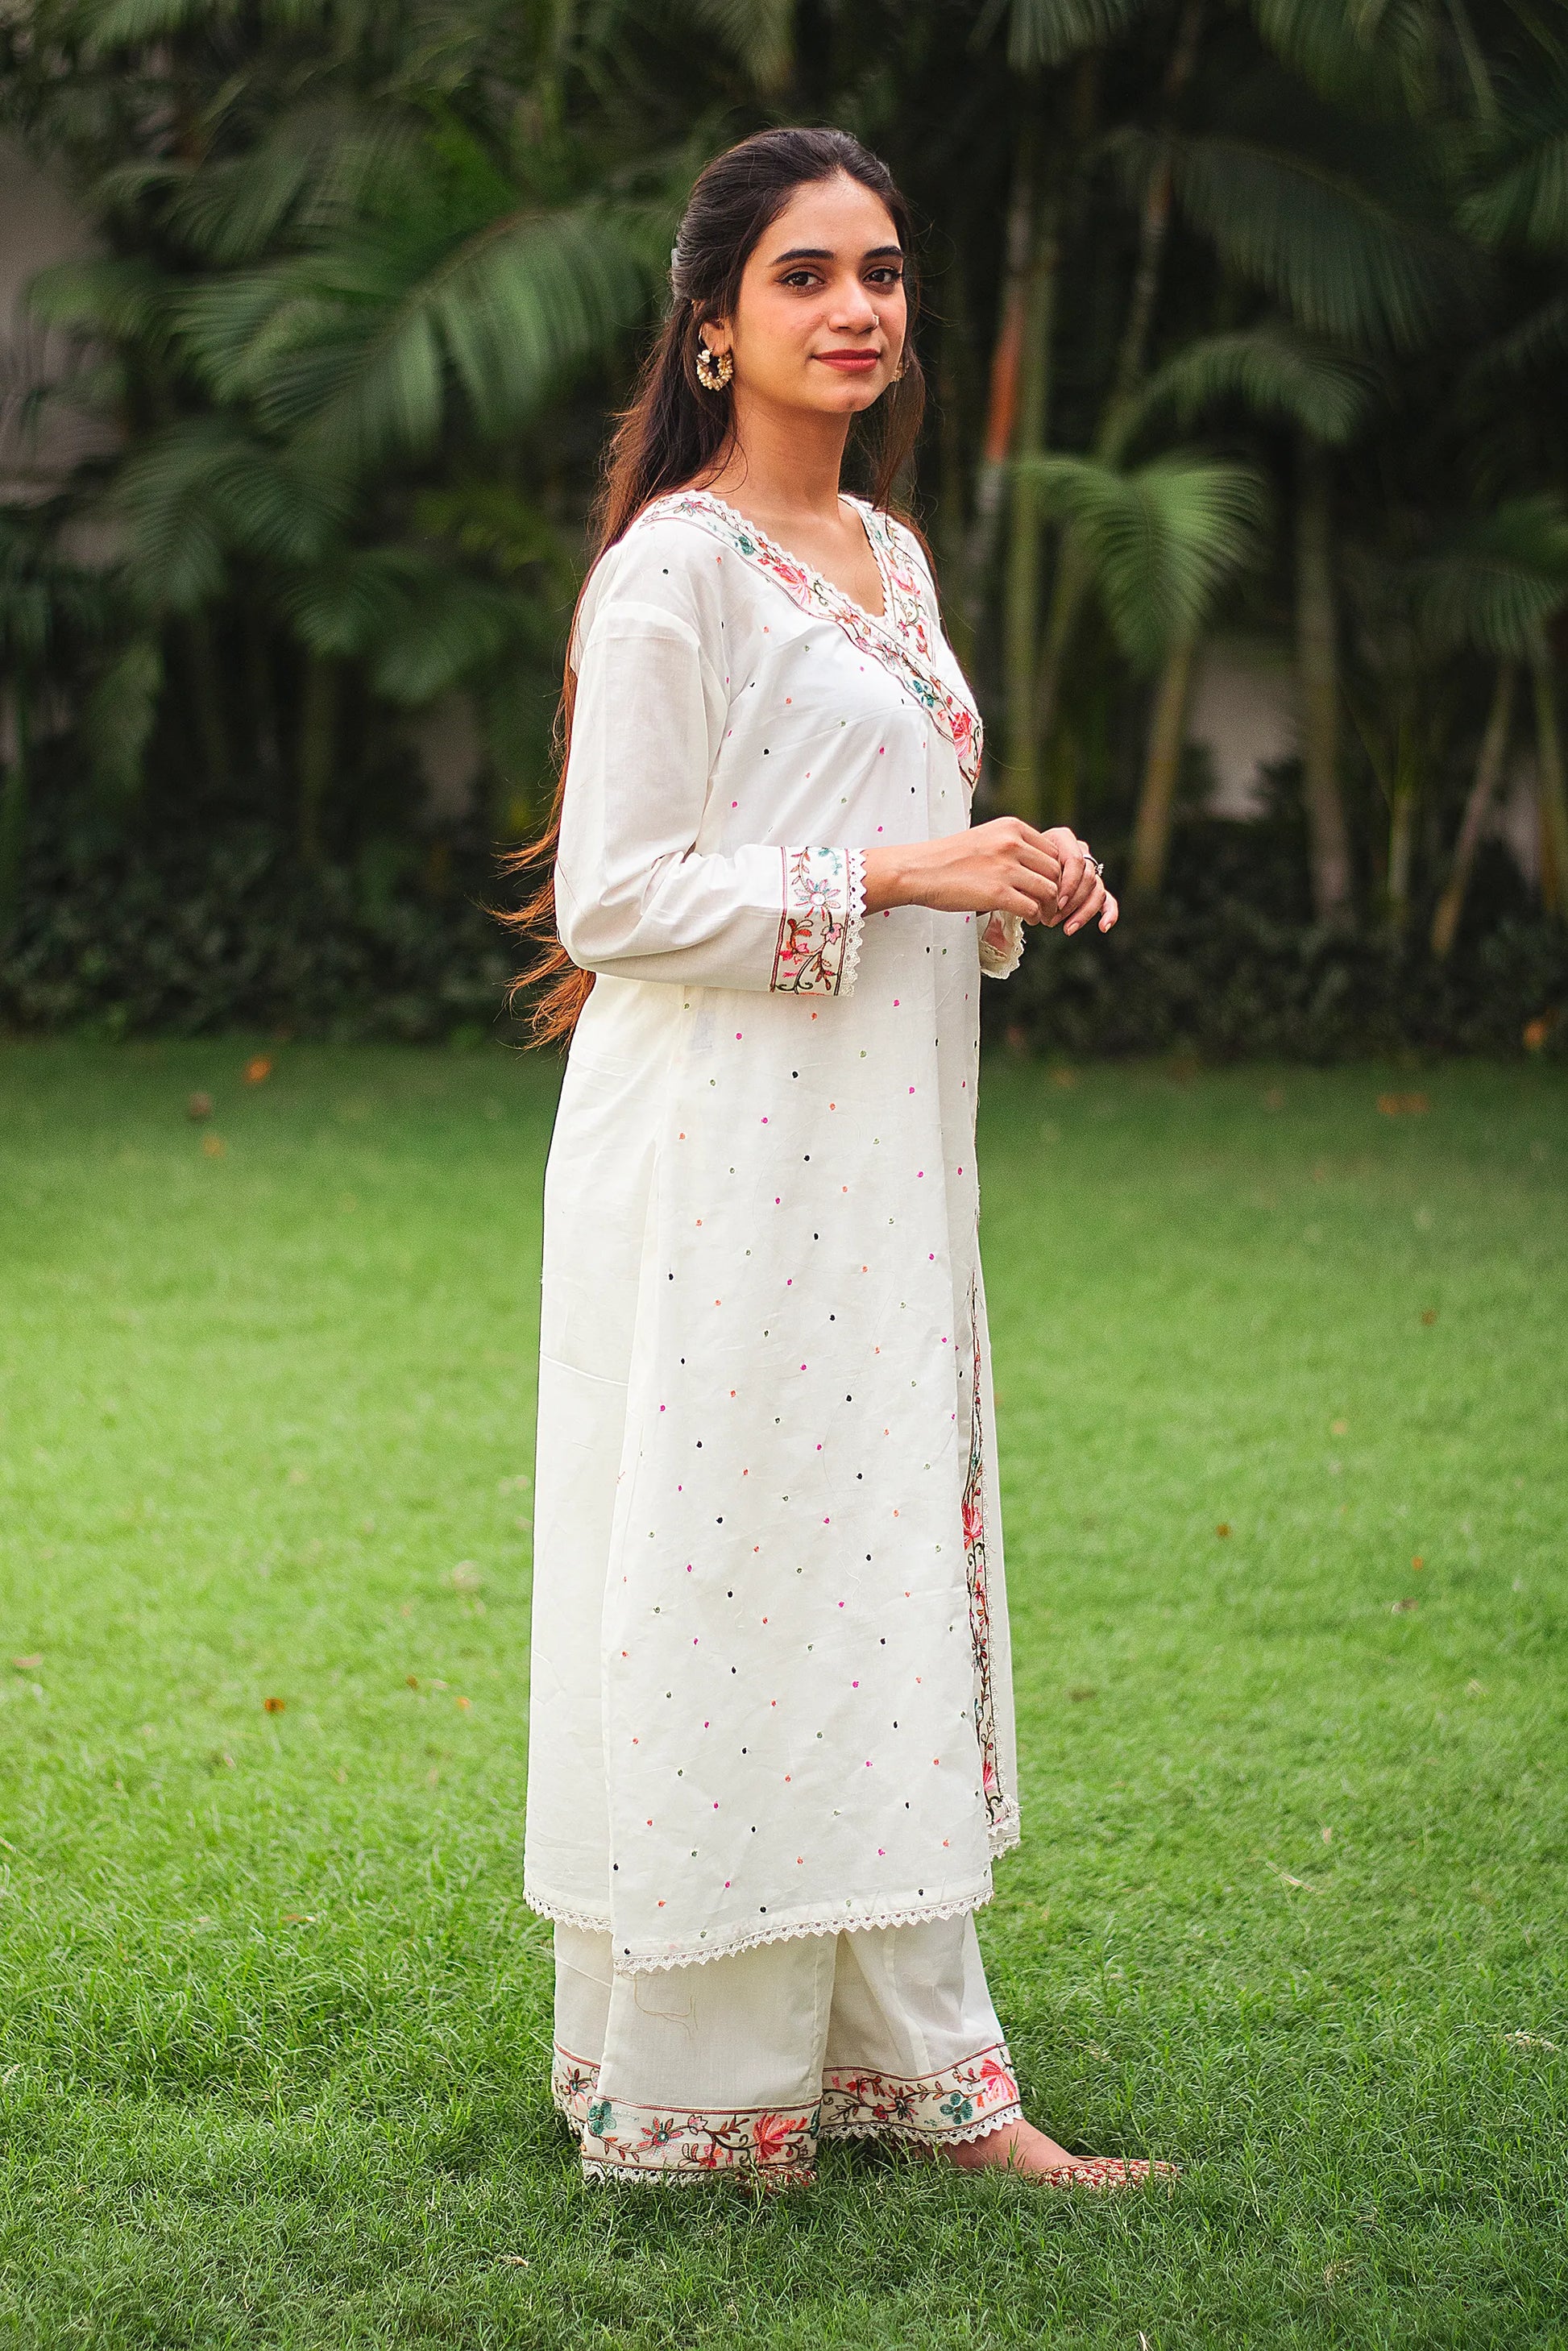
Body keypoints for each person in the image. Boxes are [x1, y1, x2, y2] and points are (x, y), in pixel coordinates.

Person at [508, 125, 1168, 2195]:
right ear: (714, 325)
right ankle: (707, 2093)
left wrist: (1006, 873)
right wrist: (898, 866)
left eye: (880, 271)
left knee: (871, 1569)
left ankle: (935, 2079)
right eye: (806, 276)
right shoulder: (674, 571)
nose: (858, 308)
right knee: (727, 1572)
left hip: (879, 1163)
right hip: (711, 1165)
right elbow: (618, 897)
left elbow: (881, 831)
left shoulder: (895, 560)